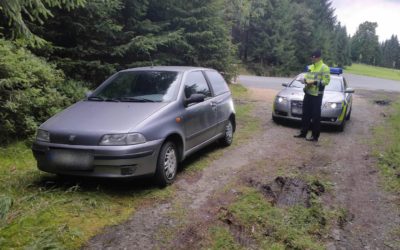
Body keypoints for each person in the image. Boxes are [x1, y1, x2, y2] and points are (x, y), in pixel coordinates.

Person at [294, 49, 330, 142]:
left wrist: (314, 82)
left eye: (313, 57)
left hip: (317, 96)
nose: (311, 59)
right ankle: (303, 132)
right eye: (311, 57)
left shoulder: (324, 67)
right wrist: (304, 80)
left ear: (318, 57)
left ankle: (315, 136)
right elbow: (307, 77)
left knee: (315, 116)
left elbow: (326, 81)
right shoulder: (310, 67)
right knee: (305, 114)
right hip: (308, 93)